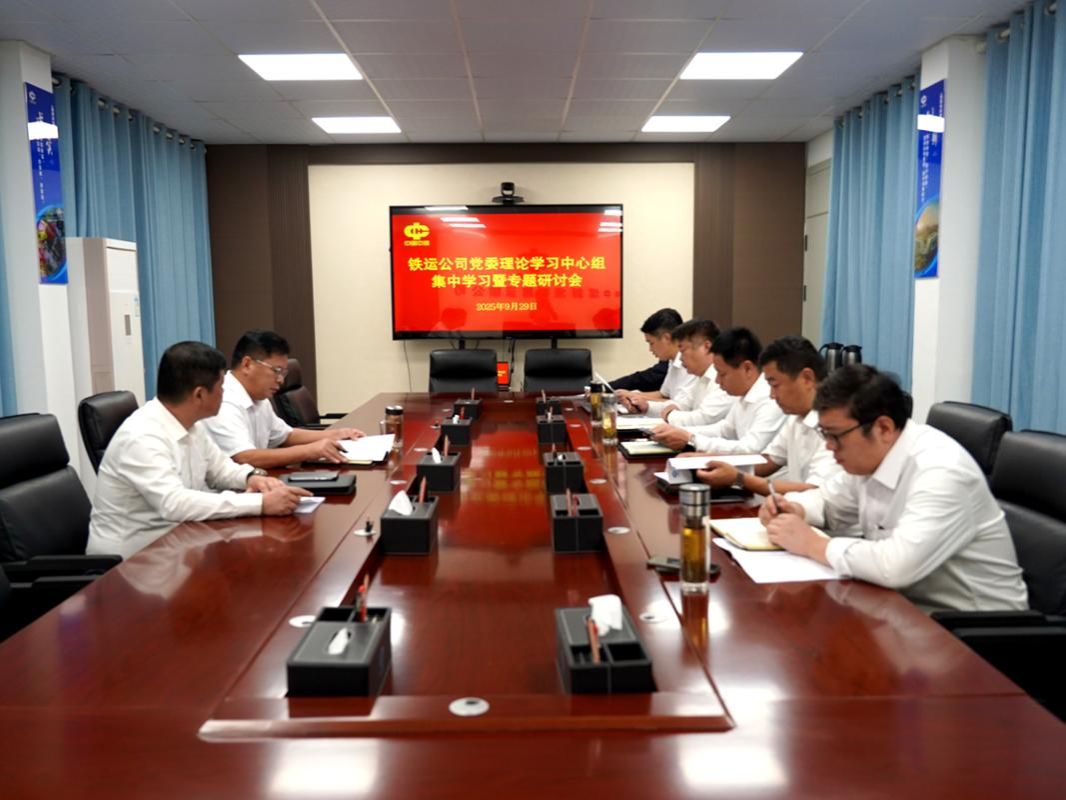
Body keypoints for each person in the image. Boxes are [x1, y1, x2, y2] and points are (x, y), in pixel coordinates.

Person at [761, 364, 1028, 613]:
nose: (829, 446)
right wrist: (795, 508)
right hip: (905, 607)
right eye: (825, 434)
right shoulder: (871, 458)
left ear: (884, 428)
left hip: (973, 628)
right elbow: (830, 502)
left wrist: (812, 544)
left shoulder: (942, 471)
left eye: (835, 435)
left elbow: (896, 566)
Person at [87, 341, 310, 559]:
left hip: (179, 545)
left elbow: (220, 469)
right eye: (221, 387)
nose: (224, 393)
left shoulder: (191, 424)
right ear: (199, 395)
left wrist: (253, 478)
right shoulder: (142, 437)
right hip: (131, 564)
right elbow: (175, 503)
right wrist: (260, 503)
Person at [696, 335, 841, 495]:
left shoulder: (836, 423)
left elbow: (815, 491)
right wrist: (710, 462)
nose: (772, 395)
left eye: (775, 385)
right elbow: (769, 459)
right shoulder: (796, 417)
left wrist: (738, 478)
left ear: (807, 378)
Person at [203, 330, 364, 468]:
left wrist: (335, 434)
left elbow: (285, 436)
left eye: (283, 373)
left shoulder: (259, 398)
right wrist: (309, 451)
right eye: (276, 370)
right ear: (247, 364)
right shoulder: (224, 401)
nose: (281, 380)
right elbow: (244, 457)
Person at [651, 326, 784, 453]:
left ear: (747, 368)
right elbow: (724, 430)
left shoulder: (770, 398)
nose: (717, 380)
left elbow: (750, 449)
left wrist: (691, 439)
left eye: (722, 374)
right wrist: (683, 434)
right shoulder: (744, 394)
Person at [625, 319, 734, 426]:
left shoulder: (724, 377)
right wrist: (647, 407)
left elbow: (704, 418)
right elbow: (682, 405)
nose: (681, 359)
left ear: (707, 347)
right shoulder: (700, 377)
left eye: (683, 351)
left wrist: (669, 415)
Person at [611, 308, 691, 396]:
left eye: (651, 343)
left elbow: (677, 402)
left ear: (667, 338)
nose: (650, 349)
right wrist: (632, 395)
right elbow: (663, 395)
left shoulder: (690, 365)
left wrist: (635, 396)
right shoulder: (672, 362)